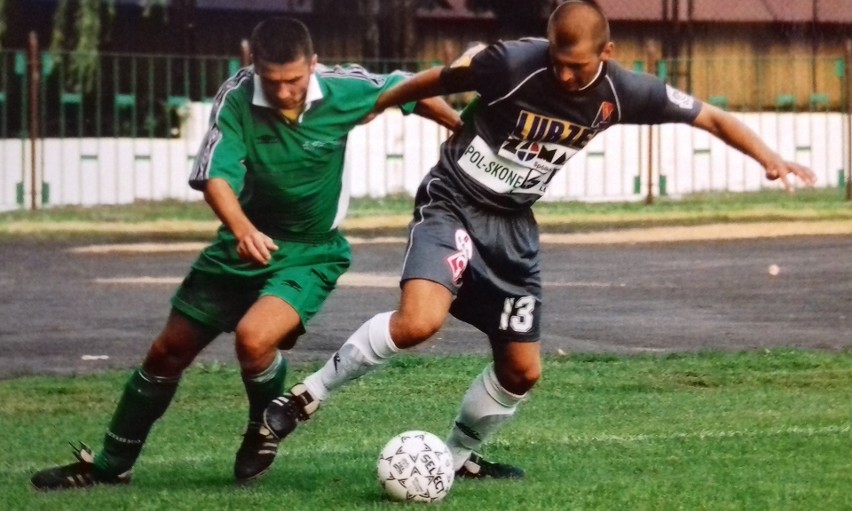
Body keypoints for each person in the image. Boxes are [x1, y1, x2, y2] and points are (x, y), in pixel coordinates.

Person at [259, 0, 818, 481]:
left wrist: (769, 158)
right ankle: (306, 396)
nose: (565, 76)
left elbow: (710, 116)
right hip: (453, 200)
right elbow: (435, 80)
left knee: (522, 371)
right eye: (556, 60)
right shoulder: (511, 64)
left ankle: (456, 459)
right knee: (418, 322)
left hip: (514, 227)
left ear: (607, 52)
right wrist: (379, 104)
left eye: (577, 67)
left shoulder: (624, 92)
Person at [30, 17, 461, 490]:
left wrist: (456, 126)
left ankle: (264, 428)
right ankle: (112, 464)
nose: (283, 92)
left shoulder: (341, 89)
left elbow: (410, 87)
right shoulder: (236, 97)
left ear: (313, 66)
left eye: (295, 80)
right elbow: (216, 176)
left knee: (255, 339)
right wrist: (240, 229)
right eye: (272, 82)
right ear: (255, 68)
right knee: (166, 352)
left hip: (310, 253)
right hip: (242, 243)